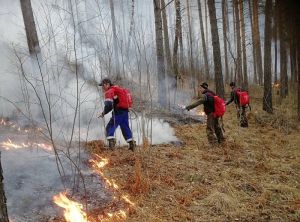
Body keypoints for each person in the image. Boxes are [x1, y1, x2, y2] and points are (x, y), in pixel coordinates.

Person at [99, 78, 135, 151]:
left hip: (118, 112)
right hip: (125, 112)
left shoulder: (110, 91)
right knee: (125, 128)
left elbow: (108, 105)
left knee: (109, 127)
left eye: (103, 86)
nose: (102, 88)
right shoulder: (119, 89)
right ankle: (132, 145)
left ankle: (111, 146)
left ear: (107, 84)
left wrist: (103, 113)